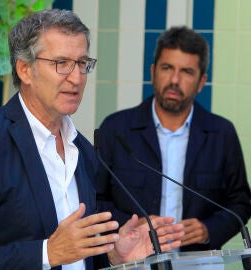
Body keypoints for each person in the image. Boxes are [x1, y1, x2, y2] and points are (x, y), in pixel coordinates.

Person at [0, 9, 184, 270]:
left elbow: (74, 257)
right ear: (25, 70)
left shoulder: (83, 151)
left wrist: (113, 257)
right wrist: (46, 253)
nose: (76, 77)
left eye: (82, 63)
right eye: (61, 63)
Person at [97, 26, 251, 252]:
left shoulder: (221, 133)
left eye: (187, 71)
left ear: (201, 82)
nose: (174, 80)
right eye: (167, 68)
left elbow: (241, 203)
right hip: (133, 261)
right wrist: (130, 225)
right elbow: (94, 200)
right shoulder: (116, 129)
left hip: (198, 264)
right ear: (153, 72)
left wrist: (209, 229)